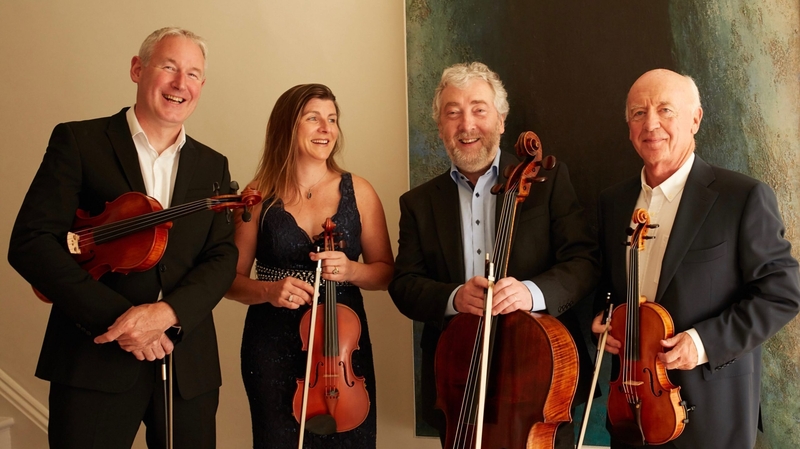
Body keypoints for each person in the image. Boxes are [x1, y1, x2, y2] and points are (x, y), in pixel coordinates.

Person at [7, 27, 238, 448]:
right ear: (137, 69)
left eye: (192, 74)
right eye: (168, 67)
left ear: (201, 85)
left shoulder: (213, 165)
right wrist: (122, 319)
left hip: (187, 366)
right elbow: (31, 242)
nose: (180, 83)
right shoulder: (79, 141)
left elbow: (222, 257)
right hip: (93, 360)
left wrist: (167, 314)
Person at [388, 62, 600, 448]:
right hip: (457, 383)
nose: (466, 125)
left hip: (541, 378)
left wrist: (531, 293)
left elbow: (583, 262)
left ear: (501, 120)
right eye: (453, 113)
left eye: (479, 110)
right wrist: (454, 297)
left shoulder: (548, 181)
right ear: (440, 127)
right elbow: (404, 284)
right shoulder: (418, 203)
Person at [592, 68, 800, 449]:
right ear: (629, 127)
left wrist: (702, 342)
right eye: (638, 113)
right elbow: (607, 285)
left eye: (665, 110)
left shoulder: (742, 197)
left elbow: (782, 293)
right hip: (632, 411)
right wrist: (605, 320)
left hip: (712, 418)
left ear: (695, 119)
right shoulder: (613, 202)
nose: (651, 124)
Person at [225, 83, 394, 448]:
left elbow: (385, 272)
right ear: (288, 126)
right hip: (273, 345)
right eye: (313, 118)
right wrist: (268, 291)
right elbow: (229, 281)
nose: (326, 129)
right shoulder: (257, 196)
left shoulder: (360, 191)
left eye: (332, 119)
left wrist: (352, 271)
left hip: (342, 348)